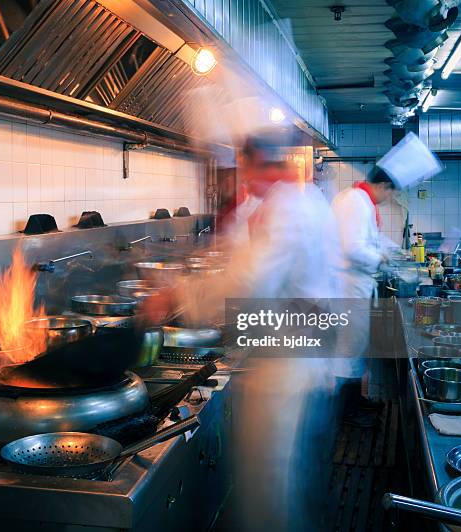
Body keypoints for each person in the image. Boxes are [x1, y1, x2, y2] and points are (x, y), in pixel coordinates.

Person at [142, 130, 341, 531]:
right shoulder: (305, 198)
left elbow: (249, 281)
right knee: (286, 470)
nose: (241, 180)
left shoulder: (285, 208)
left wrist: (175, 296)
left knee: (269, 475)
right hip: (305, 347)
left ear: (256, 163)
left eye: (242, 167)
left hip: (288, 358)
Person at [331, 166, 396, 427]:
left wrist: (392, 252)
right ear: (382, 186)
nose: (390, 197)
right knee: (348, 350)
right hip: (347, 288)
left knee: (354, 348)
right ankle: (347, 411)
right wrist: (380, 258)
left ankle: (355, 402)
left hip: (355, 287)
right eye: (391, 191)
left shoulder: (360, 200)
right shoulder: (354, 202)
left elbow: (373, 238)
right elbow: (354, 247)